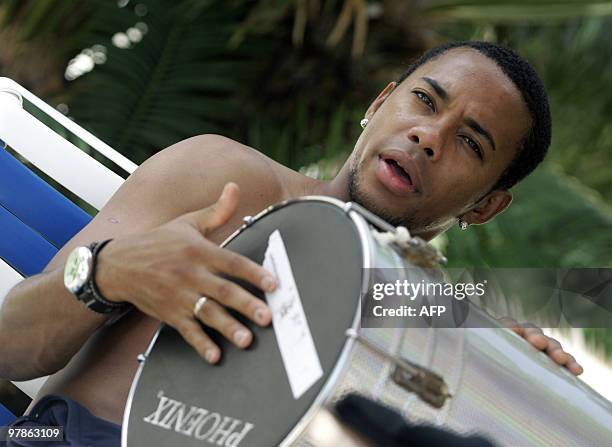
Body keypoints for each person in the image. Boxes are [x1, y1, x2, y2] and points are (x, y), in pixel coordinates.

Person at [0, 41, 583, 445]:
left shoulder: (430, 327)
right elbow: (9, 348)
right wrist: (110, 272)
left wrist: (505, 396)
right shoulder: (223, 180)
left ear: (484, 206)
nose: (428, 137)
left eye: (470, 143)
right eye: (425, 101)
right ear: (380, 103)